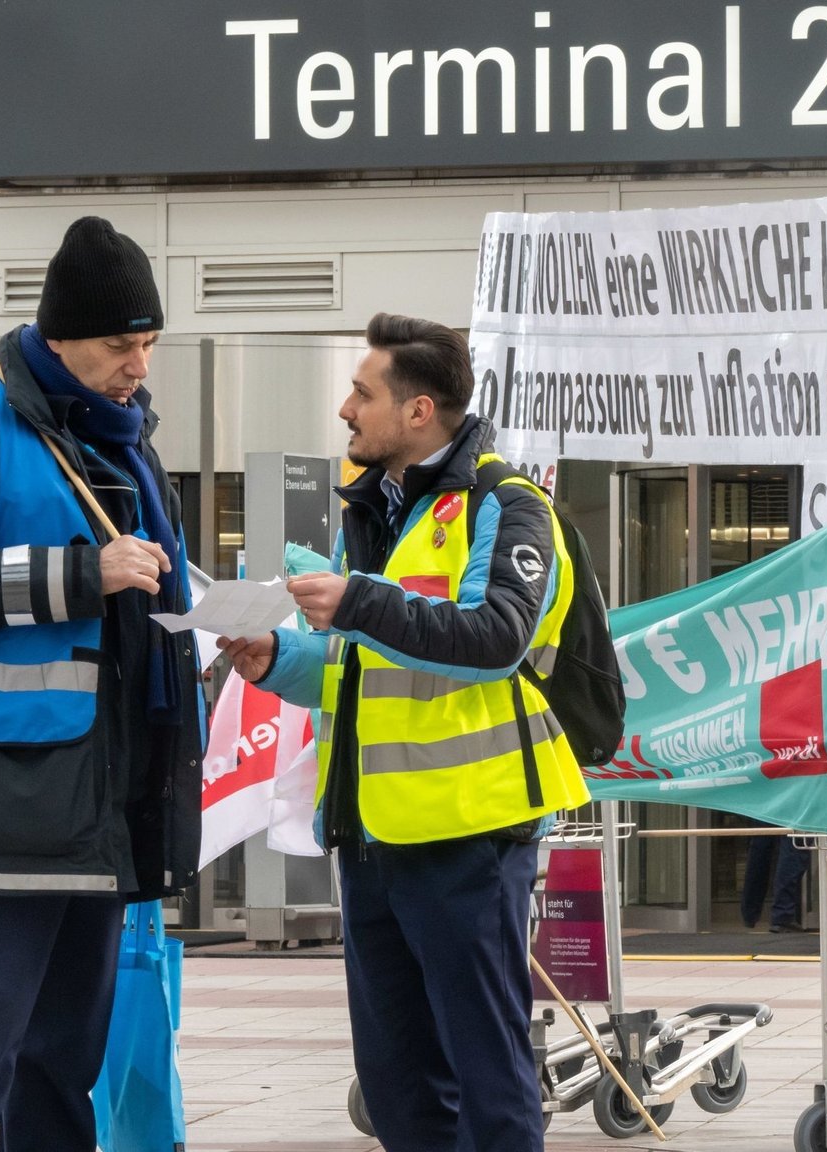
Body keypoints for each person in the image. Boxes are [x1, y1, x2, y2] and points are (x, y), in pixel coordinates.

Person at [222, 312, 591, 1152]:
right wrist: (274, 658)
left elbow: (494, 639)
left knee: (486, 1069)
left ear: (419, 410)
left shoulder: (510, 505)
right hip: (374, 835)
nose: (346, 409)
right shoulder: (379, 509)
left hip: (467, 832)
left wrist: (357, 599)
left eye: (362, 392)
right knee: (396, 1085)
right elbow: (363, 670)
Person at [0, 216, 203, 1152]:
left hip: (104, 798)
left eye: (148, 344)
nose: (138, 366)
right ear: (59, 335)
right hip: (5, 788)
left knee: (68, 1055)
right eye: (120, 345)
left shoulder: (132, 447)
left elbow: (146, 598)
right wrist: (82, 573)